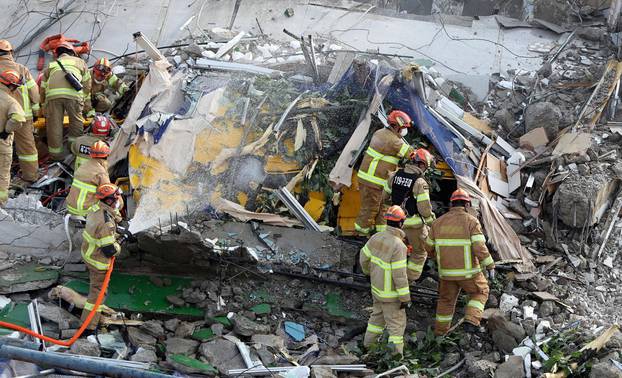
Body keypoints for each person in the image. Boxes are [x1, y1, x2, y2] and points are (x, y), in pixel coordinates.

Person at [425, 188, 495, 335]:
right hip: (469, 274)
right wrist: (490, 265)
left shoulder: (437, 223)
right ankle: (471, 320)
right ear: (467, 205)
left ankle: (440, 333)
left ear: (451, 204)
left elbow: (428, 248)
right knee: (480, 292)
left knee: (445, 301)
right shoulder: (471, 221)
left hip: (446, 274)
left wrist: (436, 258)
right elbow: (479, 247)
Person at [360, 205, 410, 355]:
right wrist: (405, 298)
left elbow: (363, 259)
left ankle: (368, 347)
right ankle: (395, 358)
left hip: (377, 289)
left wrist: (369, 274)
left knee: (376, 320)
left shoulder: (376, 237)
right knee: (396, 326)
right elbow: (399, 275)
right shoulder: (398, 245)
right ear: (401, 223)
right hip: (391, 295)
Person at [355, 110, 414, 236]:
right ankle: (361, 236)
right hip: (373, 181)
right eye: (404, 127)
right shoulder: (393, 140)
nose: (405, 131)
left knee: (382, 209)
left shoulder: (381, 133)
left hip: (376, 181)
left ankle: (382, 234)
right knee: (370, 209)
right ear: (397, 126)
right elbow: (411, 154)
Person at [379, 148, 435, 281]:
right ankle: (408, 280)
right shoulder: (420, 182)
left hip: (394, 222)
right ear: (421, 165)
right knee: (419, 253)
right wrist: (432, 222)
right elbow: (424, 209)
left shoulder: (394, 175)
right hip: (413, 225)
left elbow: (384, 197)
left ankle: (383, 276)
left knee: (391, 250)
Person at [80, 183, 123, 330]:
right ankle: (88, 326)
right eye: (117, 197)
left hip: (88, 253)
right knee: (97, 295)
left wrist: (119, 226)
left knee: (95, 291)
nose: (119, 200)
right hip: (98, 262)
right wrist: (120, 243)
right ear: (110, 200)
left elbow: (109, 219)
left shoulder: (95, 208)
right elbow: (110, 250)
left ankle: (91, 321)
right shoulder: (106, 224)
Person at [40, 42, 91, 160]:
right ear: (73, 53)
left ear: (57, 54)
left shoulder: (51, 64)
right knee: (76, 123)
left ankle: (56, 155)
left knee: (54, 126)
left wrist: (43, 105)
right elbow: (87, 85)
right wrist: (81, 98)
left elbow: (42, 88)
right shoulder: (80, 62)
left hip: (52, 97)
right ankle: (74, 149)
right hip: (74, 96)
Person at [0, 39, 40, 183]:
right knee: (27, 149)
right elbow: (34, 92)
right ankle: (31, 177)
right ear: (10, 52)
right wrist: (36, 112)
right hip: (24, 117)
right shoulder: (22, 69)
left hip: (1, 118)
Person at [0, 70, 25, 206]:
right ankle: (1, 204)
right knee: (2, 175)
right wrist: (6, 130)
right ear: (11, 86)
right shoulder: (10, 101)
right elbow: (18, 119)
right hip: (2, 143)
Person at [66, 141, 110, 216]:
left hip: (70, 207)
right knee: (112, 204)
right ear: (106, 155)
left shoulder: (83, 166)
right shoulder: (101, 172)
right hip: (85, 211)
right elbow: (108, 193)